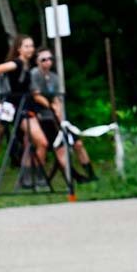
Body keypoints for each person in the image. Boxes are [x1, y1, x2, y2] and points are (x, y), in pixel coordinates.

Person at [0, 34, 50, 189]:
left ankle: (34, 176)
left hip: (23, 108)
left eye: (32, 46)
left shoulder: (28, 66)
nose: (30, 49)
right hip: (10, 107)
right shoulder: (16, 64)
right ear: (19, 49)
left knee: (42, 142)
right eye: (27, 46)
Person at [29, 49, 95, 182]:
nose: (48, 62)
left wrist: (59, 114)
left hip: (58, 116)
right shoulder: (34, 75)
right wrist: (50, 106)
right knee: (59, 148)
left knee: (78, 144)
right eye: (44, 59)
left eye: (50, 59)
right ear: (37, 61)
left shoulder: (54, 77)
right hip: (43, 118)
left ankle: (91, 174)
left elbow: (57, 99)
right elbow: (36, 96)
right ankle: (75, 177)